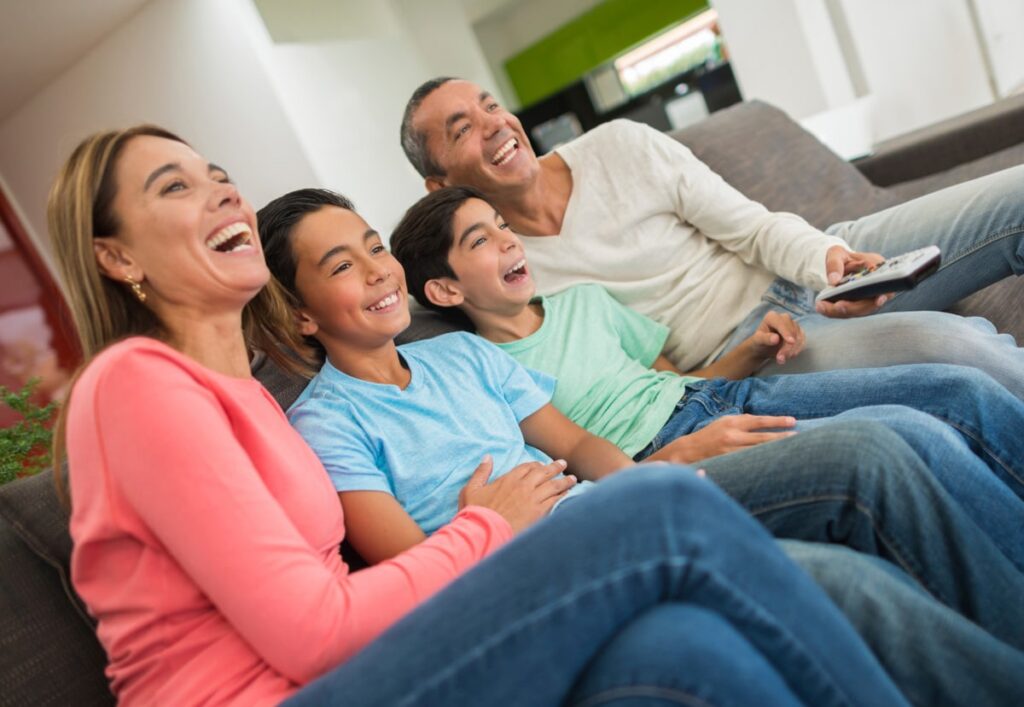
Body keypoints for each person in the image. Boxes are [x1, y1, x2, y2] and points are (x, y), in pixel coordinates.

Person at [50, 124, 914, 707]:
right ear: (116, 253)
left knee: (687, 647)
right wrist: (482, 527)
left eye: (221, 179)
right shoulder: (136, 384)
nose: (221, 196)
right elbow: (315, 630)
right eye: (176, 187)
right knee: (663, 508)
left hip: (369, 659)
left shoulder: (245, 392)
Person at [255, 186, 1024, 681]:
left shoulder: (460, 354)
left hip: (621, 507)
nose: (376, 269)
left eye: (373, 246)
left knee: (891, 439)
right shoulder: (322, 421)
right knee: (867, 466)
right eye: (341, 264)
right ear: (300, 312)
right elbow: (402, 569)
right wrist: (494, 520)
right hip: (542, 564)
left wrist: (652, 480)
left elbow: (580, 446)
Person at [387, 184, 1024, 570]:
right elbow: (563, 472)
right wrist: (665, 460)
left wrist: (751, 350)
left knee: (957, 389)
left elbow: (677, 379)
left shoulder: (586, 301)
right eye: (480, 241)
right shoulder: (480, 371)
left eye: (503, 227)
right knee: (911, 436)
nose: (507, 243)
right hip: (659, 455)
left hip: (725, 395)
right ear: (443, 287)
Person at [399, 78, 1024, 397]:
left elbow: (752, 228)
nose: (495, 126)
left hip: (814, 257)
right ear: (439, 185)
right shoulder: (503, 276)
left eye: (489, 106)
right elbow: (644, 381)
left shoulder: (621, 145)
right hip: (762, 349)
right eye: (462, 130)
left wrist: (828, 262)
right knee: (964, 348)